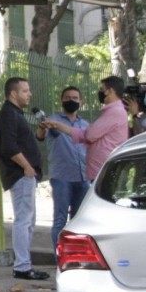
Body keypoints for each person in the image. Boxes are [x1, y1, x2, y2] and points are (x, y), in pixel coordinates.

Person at [0, 77, 49, 281]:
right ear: (13, 93)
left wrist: (41, 131)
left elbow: (25, 142)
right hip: (21, 174)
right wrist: (26, 166)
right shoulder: (8, 114)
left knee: (28, 220)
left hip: (26, 174)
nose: (29, 94)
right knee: (23, 221)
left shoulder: (16, 114)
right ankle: (22, 266)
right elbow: (9, 147)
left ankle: (24, 264)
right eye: (25, 91)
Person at [45, 76, 130, 183]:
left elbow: (89, 135)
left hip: (104, 171)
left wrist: (59, 126)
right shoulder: (112, 111)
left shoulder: (114, 111)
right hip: (97, 171)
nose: (100, 92)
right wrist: (58, 125)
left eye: (102, 89)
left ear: (110, 91)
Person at [36, 86, 90, 250]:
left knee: (79, 220)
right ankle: (60, 258)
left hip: (82, 177)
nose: (71, 101)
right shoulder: (53, 121)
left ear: (81, 101)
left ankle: (76, 255)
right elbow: (40, 136)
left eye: (75, 98)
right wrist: (42, 127)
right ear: (61, 100)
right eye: (67, 97)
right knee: (60, 220)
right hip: (62, 178)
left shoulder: (85, 124)